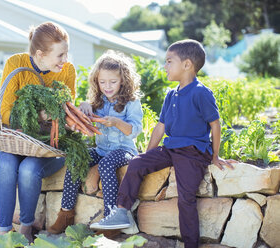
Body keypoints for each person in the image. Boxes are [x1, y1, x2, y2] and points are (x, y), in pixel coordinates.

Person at [90, 39, 235, 248]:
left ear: (186, 65)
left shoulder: (201, 93)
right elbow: (160, 127)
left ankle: (190, 244)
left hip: (192, 153)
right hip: (170, 149)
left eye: (169, 61)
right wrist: (147, 155)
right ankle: (122, 210)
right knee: (137, 163)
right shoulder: (171, 94)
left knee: (186, 199)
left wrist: (214, 155)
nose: (164, 66)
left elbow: (215, 124)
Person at [47, 50, 143, 235]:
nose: (107, 86)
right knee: (76, 160)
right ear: (96, 81)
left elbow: (134, 130)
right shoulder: (98, 101)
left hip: (124, 150)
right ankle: (66, 213)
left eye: (113, 82)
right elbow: (86, 111)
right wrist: (85, 105)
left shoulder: (131, 102)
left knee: (106, 165)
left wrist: (115, 122)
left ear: (123, 80)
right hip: (101, 149)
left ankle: (111, 218)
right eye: (102, 82)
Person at [0, 21, 76, 242]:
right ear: (40, 54)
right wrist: (39, 116)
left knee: (29, 169)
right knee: (5, 163)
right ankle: (3, 236)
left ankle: (25, 230)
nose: (65, 60)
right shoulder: (16, 64)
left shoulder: (67, 71)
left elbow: (67, 114)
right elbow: (4, 113)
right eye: (60, 55)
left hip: (49, 146)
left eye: (66, 53)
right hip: (19, 141)